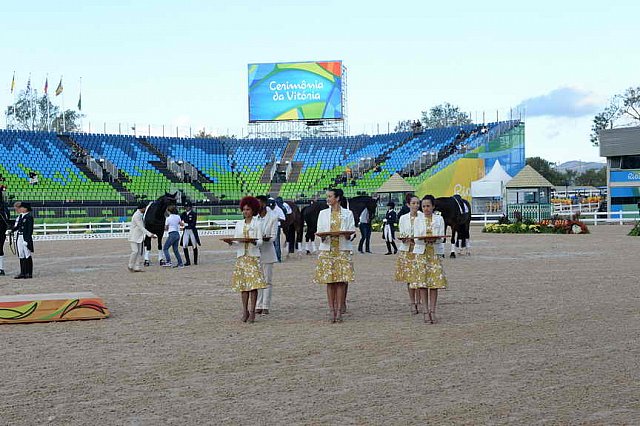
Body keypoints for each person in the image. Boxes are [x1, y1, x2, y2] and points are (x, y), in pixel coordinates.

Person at [314, 188, 356, 323]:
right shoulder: (323, 213)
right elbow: (320, 230)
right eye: (327, 196)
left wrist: (348, 235)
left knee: (341, 281)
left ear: (337, 198)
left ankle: (339, 310)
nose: (328, 199)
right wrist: (322, 236)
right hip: (327, 250)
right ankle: (331, 310)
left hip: (342, 249)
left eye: (330, 196)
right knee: (330, 281)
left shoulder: (348, 213)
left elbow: (352, 232)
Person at [227, 196, 267, 323]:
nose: (245, 212)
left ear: (253, 210)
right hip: (241, 257)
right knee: (243, 286)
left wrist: (253, 242)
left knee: (253, 286)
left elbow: (260, 241)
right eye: (244, 209)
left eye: (248, 209)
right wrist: (230, 242)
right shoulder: (239, 224)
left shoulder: (258, 223)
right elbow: (236, 240)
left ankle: (253, 310)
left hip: (253, 257)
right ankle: (245, 311)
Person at [413, 195, 448, 324]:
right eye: (424, 206)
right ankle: (425, 311)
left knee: (434, 284)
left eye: (428, 206)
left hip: (434, 253)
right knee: (422, 284)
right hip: (422, 253)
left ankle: (433, 311)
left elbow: (442, 237)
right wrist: (424, 239)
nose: (426, 209)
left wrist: (435, 239)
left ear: (433, 206)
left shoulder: (439, 219)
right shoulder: (417, 220)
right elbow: (416, 238)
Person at [395, 195, 425, 314]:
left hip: (419, 249)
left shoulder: (423, 217)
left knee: (419, 277)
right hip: (407, 250)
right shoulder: (403, 218)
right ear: (408, 205)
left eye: (417, 203)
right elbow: (402, 232)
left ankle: (420, 301)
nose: (416, 205)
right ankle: (412, 302)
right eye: (413, 203)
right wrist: (404, 238)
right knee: (409, 278)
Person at [255, 195, 278, 315]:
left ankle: (265, 305)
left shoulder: (273, 217)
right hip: (255, 253)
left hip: (268, 252)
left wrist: (265, 238)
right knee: (257, 280)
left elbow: (273, 236)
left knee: (267, 280)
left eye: (258, 203)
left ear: (264, 204)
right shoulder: (254, 217)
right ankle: (258, 305)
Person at [128, 201, 157, 272]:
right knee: (135, 251)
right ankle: (130, 265)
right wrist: (150, 234)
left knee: (139, 252)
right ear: (142, 208)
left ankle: (137, 267)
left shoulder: (141, 214)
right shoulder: (136, 215)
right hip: (134, 237)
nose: (145, 209)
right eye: (145, 208)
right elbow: (141, 227)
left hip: (139, 237)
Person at [12, 202, 35, 279]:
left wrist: (27, 240)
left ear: (25, 208)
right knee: (21, 254)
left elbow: (30, 230)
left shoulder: (29, 217)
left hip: (25, 238)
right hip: (20, 237)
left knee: (27, 254)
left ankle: (29, 273)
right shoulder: (21, 216)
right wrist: (12, 230)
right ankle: (23, 272)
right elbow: (18, 226)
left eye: (21, 207)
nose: (20, 209)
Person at [180, 201, 200, 266]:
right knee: (184, 244)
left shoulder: (194, 214)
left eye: (188, 206)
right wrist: (182, 225)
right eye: (186, 207)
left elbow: (193, 224)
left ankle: (195, 261)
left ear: (190, 207)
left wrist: (185, 224)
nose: (187, 208)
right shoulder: (183, 214)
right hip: (186, 231)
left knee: (194, 245)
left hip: (192, 230)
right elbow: (180, 221)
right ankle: (187, 261)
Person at [269, 197, 285, 262]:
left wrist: (276, 219)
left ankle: (278, 258)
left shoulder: (279, 210)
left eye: (272, 207)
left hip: (276, 227)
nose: (271, 208)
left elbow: (283, 218)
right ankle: (272, 258)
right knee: (270, 243)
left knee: (277, 243)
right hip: (269, 227)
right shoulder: (268, 209)